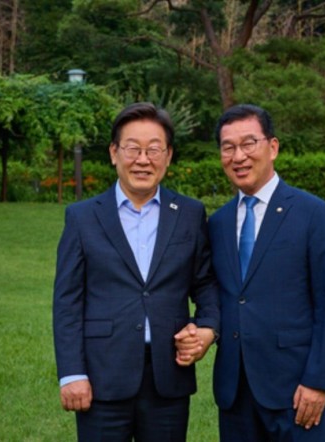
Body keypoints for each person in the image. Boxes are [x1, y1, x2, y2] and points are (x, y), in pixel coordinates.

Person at [52, 102, 220, 442]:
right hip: (102, 376)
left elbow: (205, 284)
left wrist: (207, 329)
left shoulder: (189, 214)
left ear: (168, 156)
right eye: (132, 148)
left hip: (168, 377)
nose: (143, 160)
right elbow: (68, 302)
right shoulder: (83, 218)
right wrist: (72, 374)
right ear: (114, 153)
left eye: (154, 149)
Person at [206, 104, 325, 441]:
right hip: (235, 392)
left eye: (248, 143)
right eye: (228, 147)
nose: (238, 156)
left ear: (273, 147)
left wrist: (318, 380)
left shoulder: (312, 213)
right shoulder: (218, 223)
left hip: (296, 390)